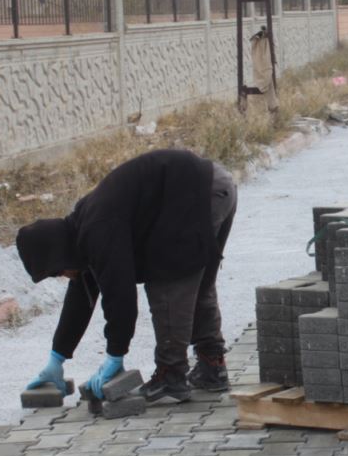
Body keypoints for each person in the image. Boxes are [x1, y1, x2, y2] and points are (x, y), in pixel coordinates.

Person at [16, 149, 238, 404]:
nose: (64, 275)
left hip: (198, 192)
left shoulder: (96, 229)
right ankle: (212, 366)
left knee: (168, 280)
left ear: (58, 253)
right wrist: (57, 357)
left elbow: (119, 295)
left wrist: (115, 355)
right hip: (213, 185)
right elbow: (80, 299)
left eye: (57, 271)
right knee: (195, 284)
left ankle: (171, 374)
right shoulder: (82, 230)